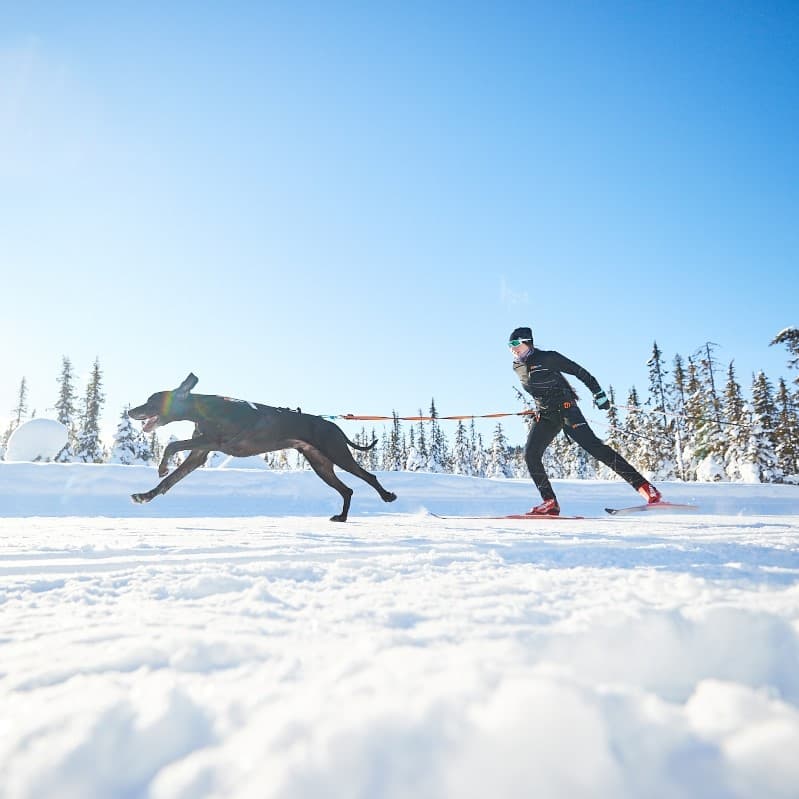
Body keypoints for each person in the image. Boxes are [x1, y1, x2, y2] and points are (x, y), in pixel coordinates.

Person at [508, 326, 662, 516]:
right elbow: (539, 391)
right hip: (546, 416)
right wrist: (538, 408)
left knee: (597, 449)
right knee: (531, 455)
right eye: (509, 346)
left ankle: (647, 489)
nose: (512, 348)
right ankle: (550, 502)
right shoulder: (517, 367)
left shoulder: (548, 357)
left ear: (527, 342)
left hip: (566, 411)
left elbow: (580, 372)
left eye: (516, 344)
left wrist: (598, 393)